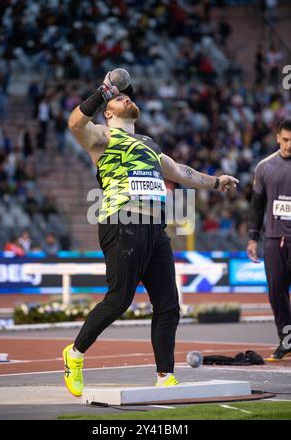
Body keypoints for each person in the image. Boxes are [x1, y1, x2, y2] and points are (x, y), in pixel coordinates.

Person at [63, 71, 238, 397]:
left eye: (127, 96)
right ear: (108, 112)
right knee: (119, 301)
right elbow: (74, 123)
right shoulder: (102, 136)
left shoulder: (150, 145)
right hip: (122, 222)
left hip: (155, 230)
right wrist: (103, 91)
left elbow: (182, 173)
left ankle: (165, 377)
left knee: (169, 304)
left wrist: (217, 182)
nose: (127, 98)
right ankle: (74, 355)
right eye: (119, 97)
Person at [247, 119, 291, 361]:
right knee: (276, 292)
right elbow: (257, 205)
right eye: (285, 140)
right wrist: (253, 238)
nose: (289, 145)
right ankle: (286, 340)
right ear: (277, 138)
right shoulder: (264, 167)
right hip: (274, 239)